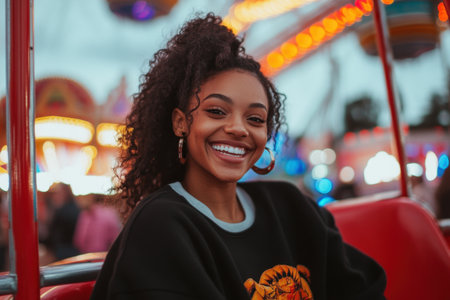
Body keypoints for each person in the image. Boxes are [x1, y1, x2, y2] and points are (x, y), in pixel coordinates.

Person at [91, 13, 386, 300]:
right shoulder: (162, 225)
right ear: (180, 122)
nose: (238, 129)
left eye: (255, 119)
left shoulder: (293, 207)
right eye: (217, 111)